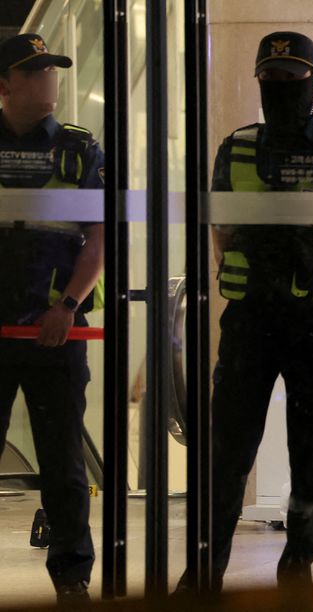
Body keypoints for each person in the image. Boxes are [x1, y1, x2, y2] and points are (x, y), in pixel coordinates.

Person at [177, 32, 313, 592]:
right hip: (249, 319)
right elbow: (219, 230)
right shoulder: (236, 148)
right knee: (227, 453)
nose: (281, 86)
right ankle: (203, 574)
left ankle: (296, 571)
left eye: (292, 76)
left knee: (308, 454)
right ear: (259, 80)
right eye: (272, 77)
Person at [0, 34, 105, 603]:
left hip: (54, 332)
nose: (47, 79)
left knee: (63, 466)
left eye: (52, 69)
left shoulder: (80, 148)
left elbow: (102, 234)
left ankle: (72, 579)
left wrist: (67, 306)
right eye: (33, 70)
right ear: (4, 85)